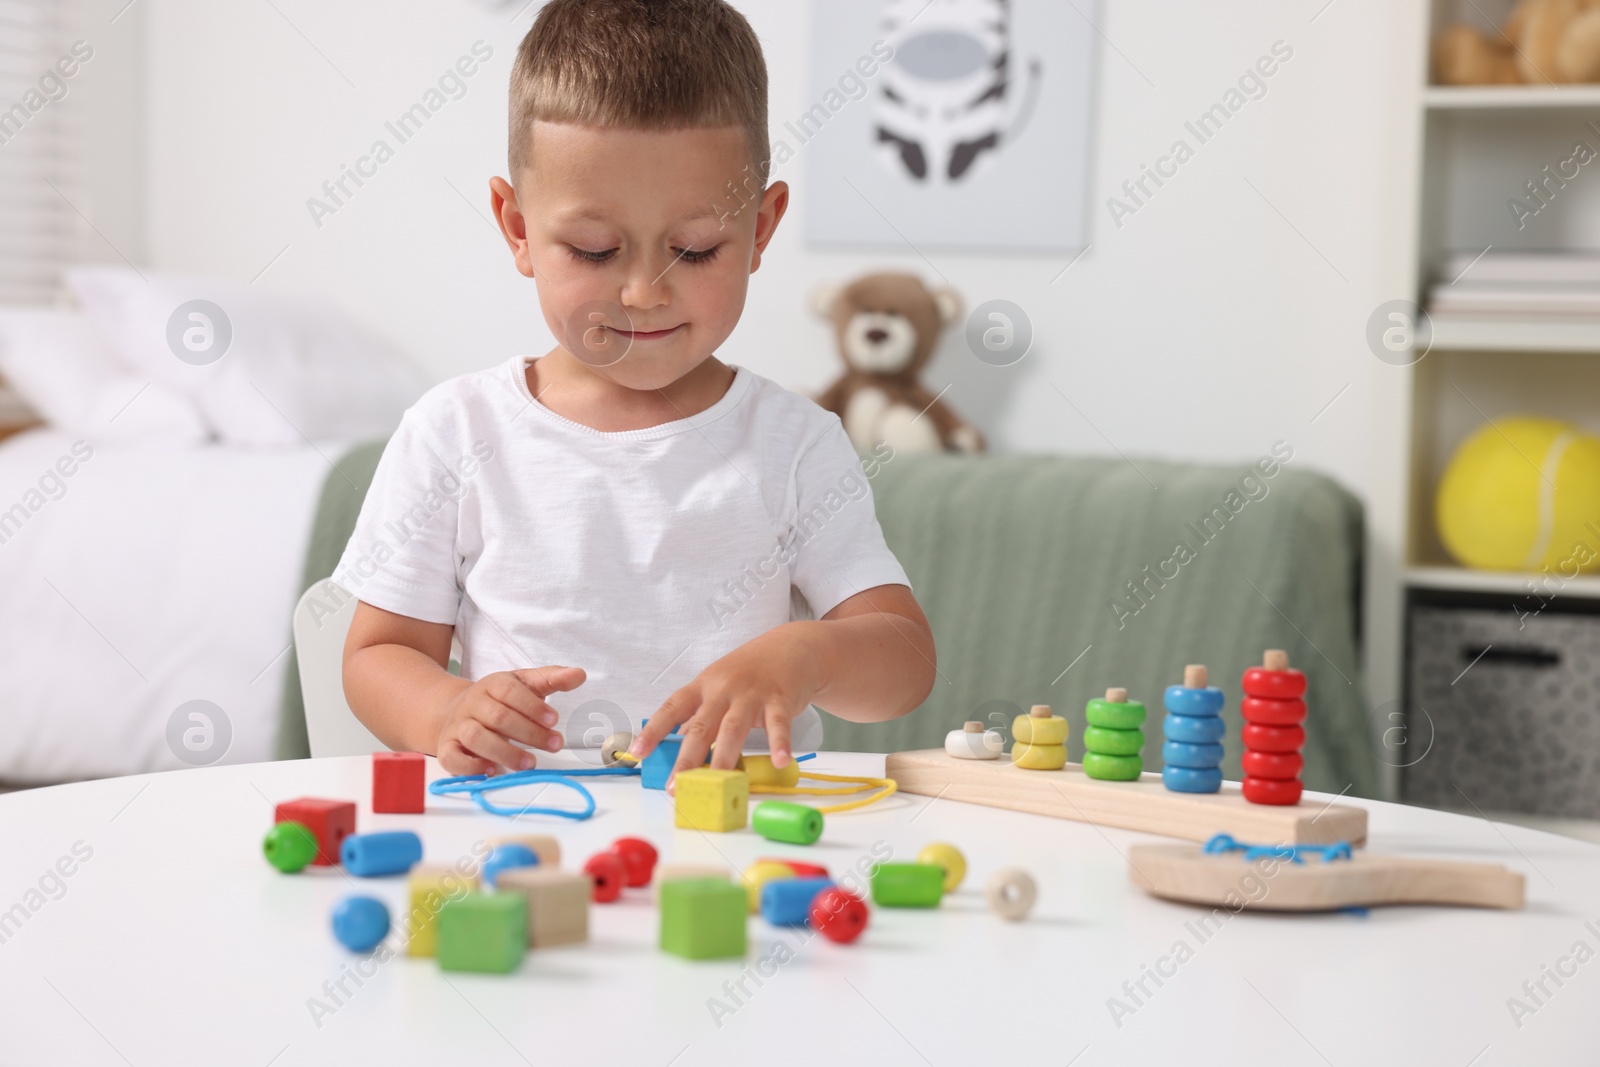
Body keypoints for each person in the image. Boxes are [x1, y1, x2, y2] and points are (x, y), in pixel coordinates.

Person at [337, 0, 935, 786]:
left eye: (694, 250)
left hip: (738, 846)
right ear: (516, 227)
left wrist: (809, 654)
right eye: (595, 249)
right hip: (529, 833)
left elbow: (905, 660)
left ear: (760, 229)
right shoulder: (456, 430)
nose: (644, 292)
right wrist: (446, 710)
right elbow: (378, 656)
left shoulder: (794, 443)